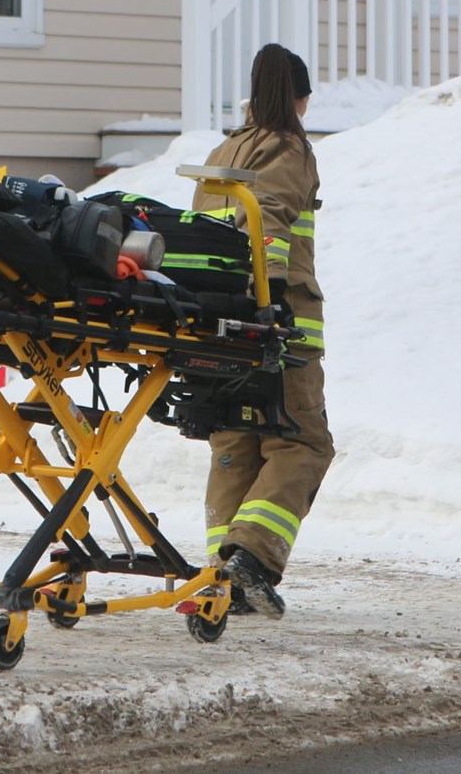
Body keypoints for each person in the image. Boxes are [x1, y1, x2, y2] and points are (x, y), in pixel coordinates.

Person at [192, 43, 333, 620]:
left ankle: (217, 580)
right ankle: (250, 560)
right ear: (301, 99)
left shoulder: (224, 147)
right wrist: (266, 306)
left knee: (235, 446)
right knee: (301, 443)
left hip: (209, 320)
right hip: (278, 322)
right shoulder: (291, 149)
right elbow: (267, 220)